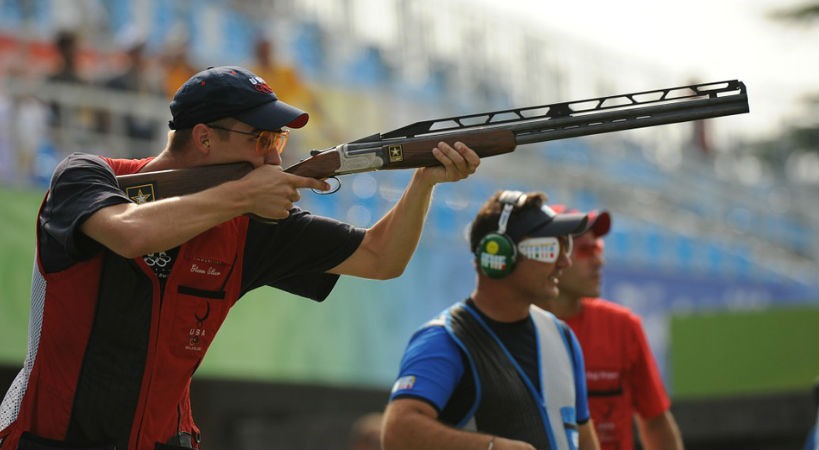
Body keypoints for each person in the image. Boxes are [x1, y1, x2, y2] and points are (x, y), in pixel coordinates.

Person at [0, 65, 480, 450]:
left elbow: (381, 258)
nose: (274, 160)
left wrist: (424, 182)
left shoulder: (249, 225)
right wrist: (243, 197)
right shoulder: (84, 177)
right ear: (206, 138)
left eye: (280, 143)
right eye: (263, 140)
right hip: (48, 439)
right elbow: (129, 233)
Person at [382, 190, 600, 450]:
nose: (565, 261)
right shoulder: (444, 340)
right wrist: (492, 447)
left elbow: (584, 438)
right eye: (550, 249)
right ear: (499, 255)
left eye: (567, 247)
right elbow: (398, 432)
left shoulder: (560, 335)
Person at [537, 205, 684, 450]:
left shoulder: (623, 326)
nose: (599, 261)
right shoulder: (515, 326)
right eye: (585, 250)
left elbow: (655, 421)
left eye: (599, 248)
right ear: (548, 255)